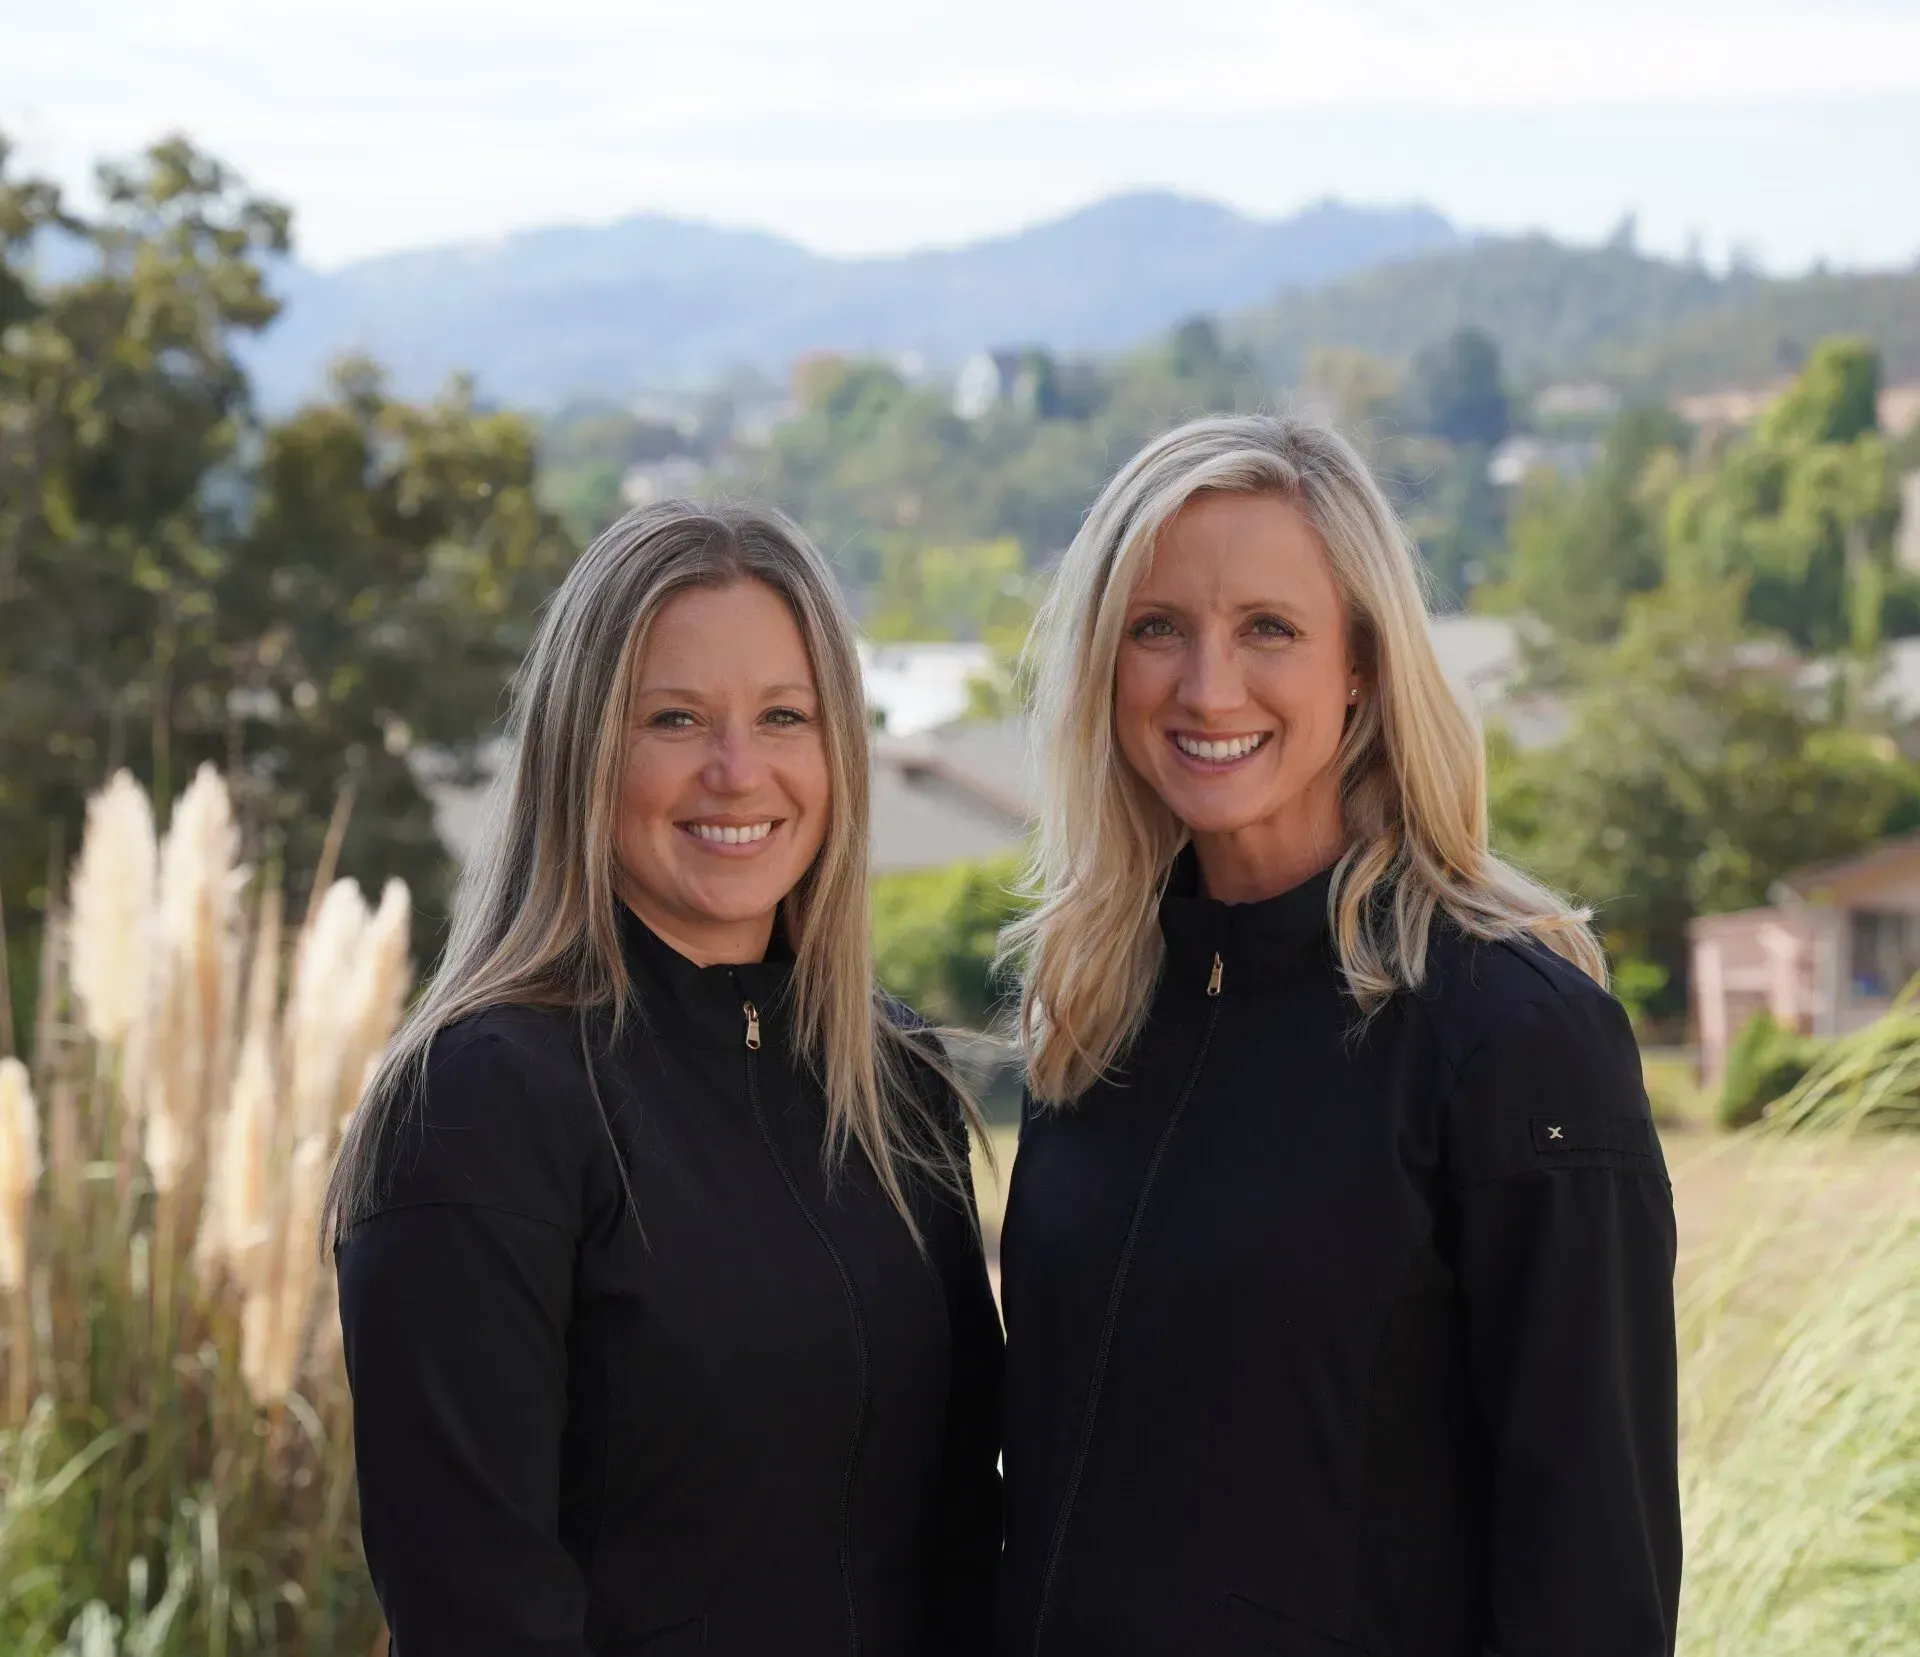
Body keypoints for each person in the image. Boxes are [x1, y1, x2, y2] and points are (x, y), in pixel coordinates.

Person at [994, 414, 1680, 1657]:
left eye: (1269, 628)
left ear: (1359, 663)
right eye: (1158, 628)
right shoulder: (1088, 1023)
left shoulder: (1514, 1037)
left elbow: (1593, 1565)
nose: (1208, 687)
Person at [327, 501, 1002, 1657]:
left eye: (784, 716)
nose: (738, 773)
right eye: (675, 718)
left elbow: (963, 1529)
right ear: (584, 752)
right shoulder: (480, 1104)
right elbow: (475, 1601)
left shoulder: (893, 1085)